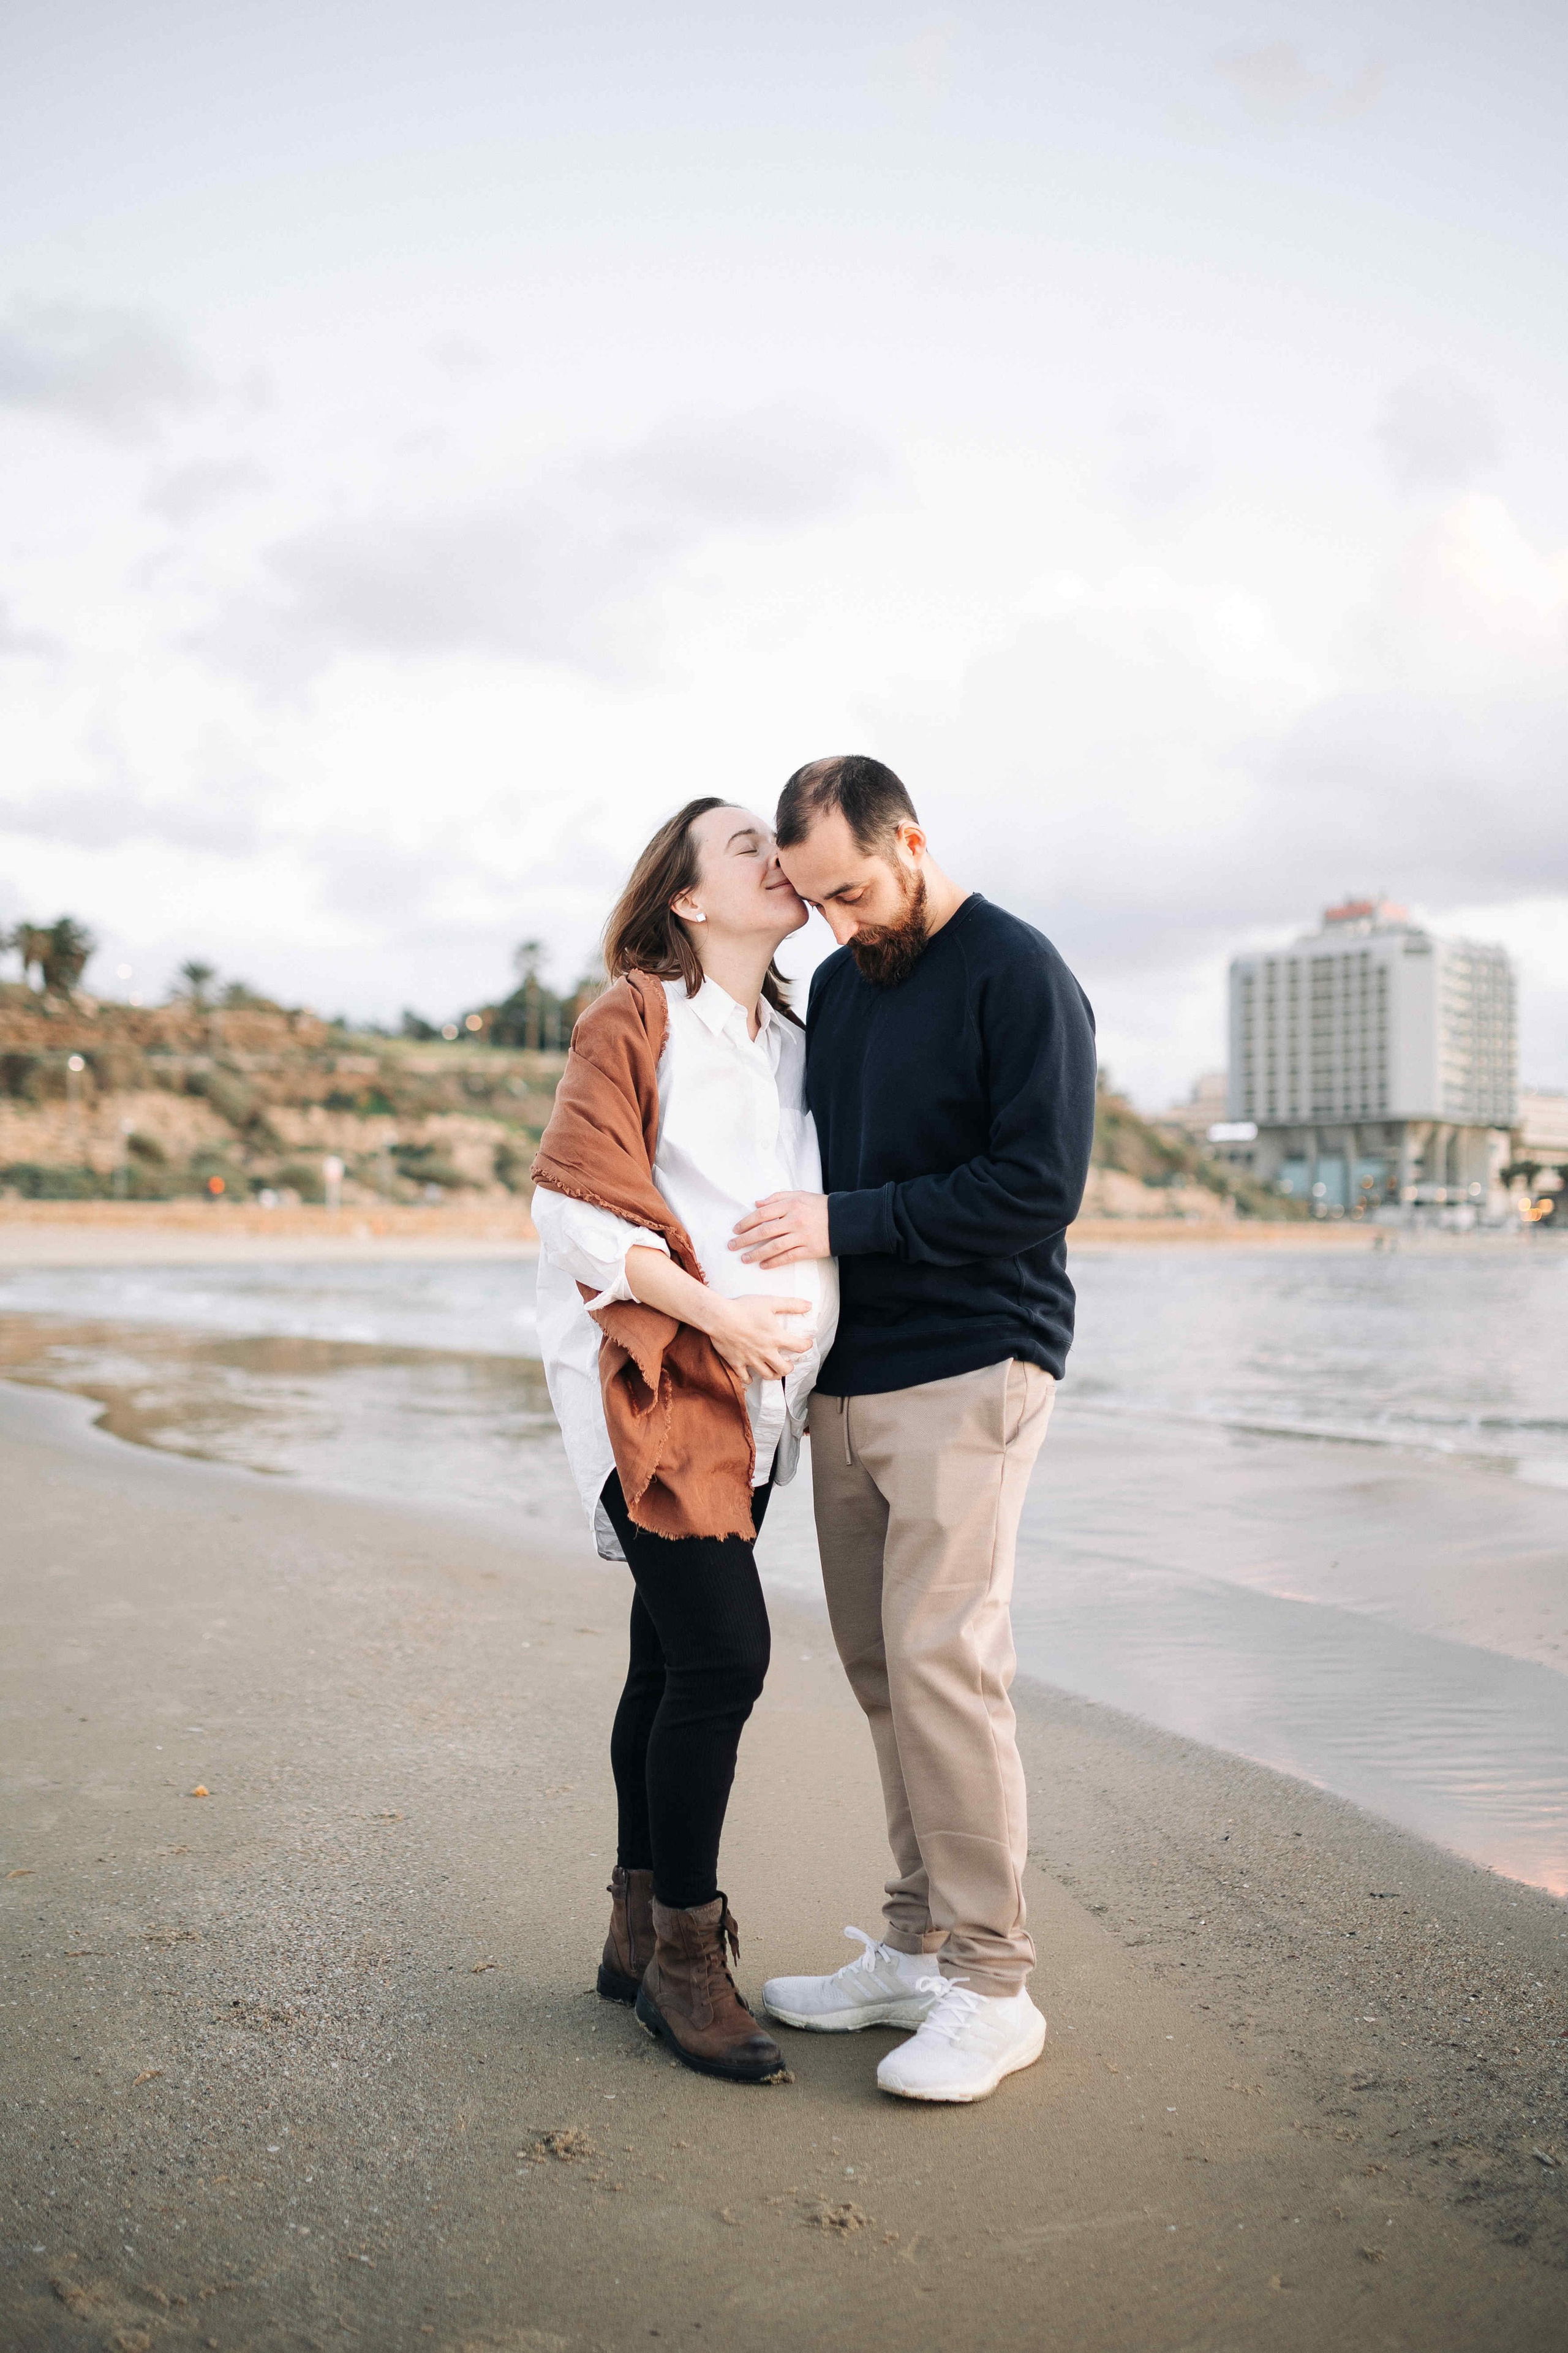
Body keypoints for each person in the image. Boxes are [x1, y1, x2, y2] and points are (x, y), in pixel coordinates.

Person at [737, 754, 1096, 2104]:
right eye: (817, 902)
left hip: (973, 1359)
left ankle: (994, 1985)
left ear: (910, 841)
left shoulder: (1018, 970)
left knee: (947, 1664)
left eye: (853, 890)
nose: (839, 923)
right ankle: (915, 1942)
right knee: (881, 1668)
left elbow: (1035, 1185)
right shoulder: (838, 985)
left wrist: (849, 1223)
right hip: (843, 1373)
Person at [530, 796, 839, 2084]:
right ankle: (681, 1959)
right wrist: (719, 1316)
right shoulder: (637, 1015)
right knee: (723, 1654)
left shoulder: (800, 1041)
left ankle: (626, 1924)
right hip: (656, 1382)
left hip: (761, 1406)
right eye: (747, 848)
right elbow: (574, 1209)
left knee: (666, 1658)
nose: (777, 861)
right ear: (688, 900)